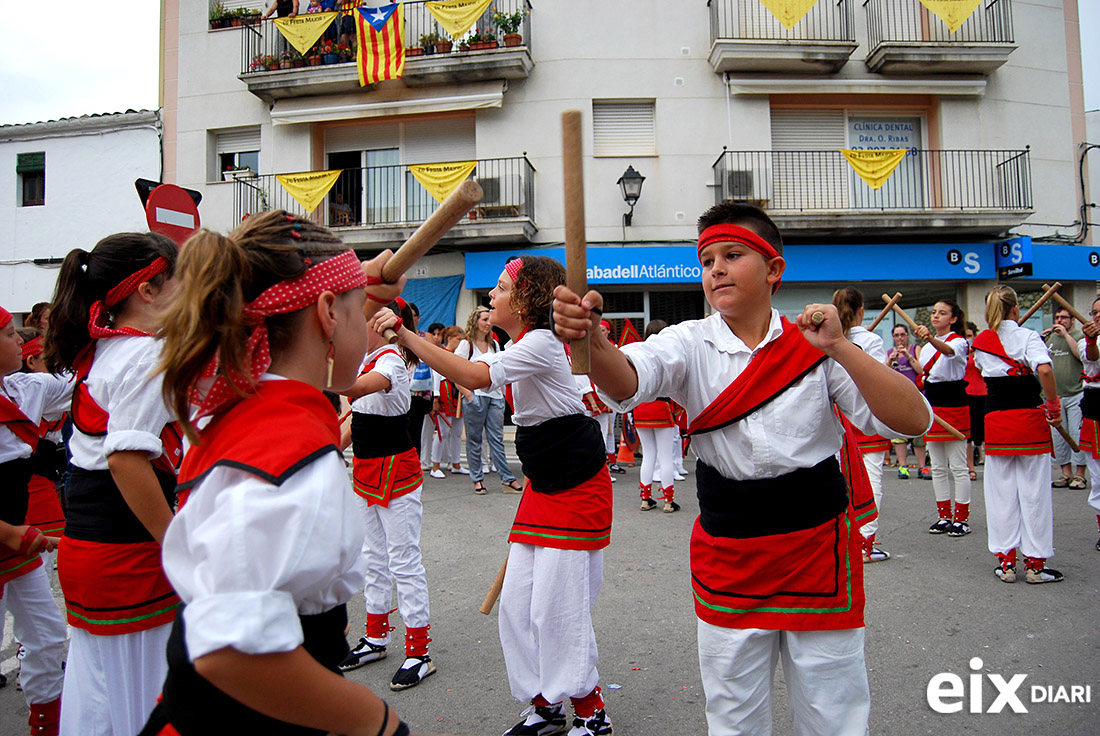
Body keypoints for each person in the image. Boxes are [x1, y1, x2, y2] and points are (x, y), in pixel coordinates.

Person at [551, 202, 931, 736]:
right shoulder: (686, 342)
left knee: (834, 710)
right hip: (730, 548)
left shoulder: (820, 341)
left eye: (733, 255)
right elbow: (628, 382)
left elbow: (912, 421)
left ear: (775, 269)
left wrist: (841, 348)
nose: (716, 270)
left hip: (816, 545)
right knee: (733, 714)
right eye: (707, 261)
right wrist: (592, 339)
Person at [141, 211, 411, 735]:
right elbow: (227, 649)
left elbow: (322, 314)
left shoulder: (239, 403)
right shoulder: (298, 455)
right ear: (329, 312)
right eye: (362, 312)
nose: (369, 321)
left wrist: (361, 279)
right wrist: (375, 721)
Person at [374, 255, 615, 736]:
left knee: (556, 608)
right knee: (518, 605)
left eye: (501, 288)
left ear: (526, 299)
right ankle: (544, 705)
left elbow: (473, 378)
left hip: (576, 485)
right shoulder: (521, 343)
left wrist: (404, 334)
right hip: (544, 483)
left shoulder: (545, 343)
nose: (490, 296)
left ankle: (592, 713)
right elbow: (470, 367)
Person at [42, 232, 182, 736]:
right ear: (147, 289)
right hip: (128, 556)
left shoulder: (107, 349)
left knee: (100, 698)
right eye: (179, 278)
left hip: (94, 552)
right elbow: (125, 459)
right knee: (146, 702)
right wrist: (178, 545)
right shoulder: (144, 356)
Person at [337, 298, 434, 689]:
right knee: (371, 557)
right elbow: (355, 418)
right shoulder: (366, 360)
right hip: (365, 471)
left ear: (377, 325)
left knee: (403, 559)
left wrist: (307, 361)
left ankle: (419, 650)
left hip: (397, 472)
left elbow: (357, 389)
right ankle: (376, 635)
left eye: (353, 322)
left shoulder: (391, 360)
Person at [0, 307, 71, 736]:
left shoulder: (25, 388)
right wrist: (9, 532)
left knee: (46, 637)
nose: (15, 340)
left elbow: (88, 385)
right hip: (10, 537)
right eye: (8, 334)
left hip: (14, 545)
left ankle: (45, 727)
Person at [972, 285, 1064, 584]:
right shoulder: (1027, 337)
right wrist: (1054, 406)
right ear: (1015, 309)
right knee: (1034, 493)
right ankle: (1036, 565)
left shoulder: (981, 342)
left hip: (997, 421)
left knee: (1001, 494)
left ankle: (1006, 562)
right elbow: (1046, 371)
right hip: (1028, 421)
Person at [833, 288, 892, 562]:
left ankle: (844, 538)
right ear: (860, 311)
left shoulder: (829, 338)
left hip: (839, 419)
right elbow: (878, 381)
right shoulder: (870, 340)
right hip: (864, 415)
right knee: (870, 478)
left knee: (842, 479)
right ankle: (865, 541)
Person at [915, 300, 973, 537]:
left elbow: (948, 352)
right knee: (937, 465)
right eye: (934, 312)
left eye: (942, 313)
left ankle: (961, 518)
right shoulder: (928, 346)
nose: (936, 316)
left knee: (958, 465)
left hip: (954, 403)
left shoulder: (959, 341)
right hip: (933, 404)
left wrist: (929, 338)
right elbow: (925, 372)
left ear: (954, 318)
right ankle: (943, 515)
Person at [455, 306, 521, 494]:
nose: (488, 323)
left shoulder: (494, 345)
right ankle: (477, 479)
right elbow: (457, 373)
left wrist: (501, 394)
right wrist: (469, 395)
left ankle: (507, 479)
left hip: (494, 397)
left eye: (489, 319)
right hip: (475, 396)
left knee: (496, 439)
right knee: (475, 440)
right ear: (475, 322)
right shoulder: (466, 345)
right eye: (484, 319)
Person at [631, 319, 681, 513]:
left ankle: (645, 498)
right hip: (661, 407)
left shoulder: (639, 351)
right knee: (665, 455)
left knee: (648, 454)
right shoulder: (668, 354)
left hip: (642, 407)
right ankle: (668, 501)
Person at [1043, 306, 1087, 489]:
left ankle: (1080, 475)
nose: (1060, 320)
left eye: (1064, 317)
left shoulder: (1078, 337)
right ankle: (1065, 472)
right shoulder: (1051, 338)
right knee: (1058, 437)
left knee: (1076, 435)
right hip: (1055, 396)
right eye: (1058, 317)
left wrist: (1066, 336)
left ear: (1072, 320)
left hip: (1075, 392)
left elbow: (1080, 355)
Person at [1076, 296, 1100, 551]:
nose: (1097, 316)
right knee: (1099, 474)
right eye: (1094, 312)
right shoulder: (1086, 342)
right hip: (1096, 406)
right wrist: (1092, 340)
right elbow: (1093, 358)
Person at [886, 323, 925, 476]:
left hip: (916, 397)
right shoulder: (889, 352)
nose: (900, 338)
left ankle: (922, 466)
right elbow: (884, 374)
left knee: (918, 434)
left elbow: (921, 370)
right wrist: (890, 360)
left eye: (902, 335)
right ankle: (903, 467)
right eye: (896, 335)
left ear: (908, 335)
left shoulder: (915, 349)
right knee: (899, 435)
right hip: (898, 399)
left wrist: (908, 356)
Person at [964, 321, 987, 480]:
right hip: (966, 393)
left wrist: (975, 353)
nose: (967, 339)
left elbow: (984, 369)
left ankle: (986, 460)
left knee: (984, 431)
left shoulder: (979, 351)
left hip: (982, 393)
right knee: (968, 434)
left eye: (970, 336)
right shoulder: (958, 351)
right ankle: (970, 467)